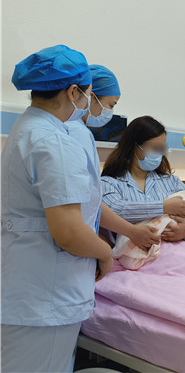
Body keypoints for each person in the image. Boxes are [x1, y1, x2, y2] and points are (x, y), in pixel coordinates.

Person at [1, 45, 113, 372]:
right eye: (87, 94)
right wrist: (105, 253)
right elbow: (69, 232)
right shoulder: (53, 141)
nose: (87, 102)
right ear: (73, 92)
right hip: (45, 297)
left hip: (28, 285)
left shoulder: (26, 129)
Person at [66, 65, 160, 249]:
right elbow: (89, 201)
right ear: (91, 96)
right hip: (76, 240)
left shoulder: (71, 128)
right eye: (111, 105)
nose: (110, 112)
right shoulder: (77, 133)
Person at [101, 116, 185, 243]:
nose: (159, 154)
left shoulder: (172, 181)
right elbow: (115, 210)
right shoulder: (109, 183)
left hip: (178, 246)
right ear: (134, 147)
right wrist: (163, 207)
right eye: (155, 148)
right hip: (137, 249)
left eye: (162, 149)